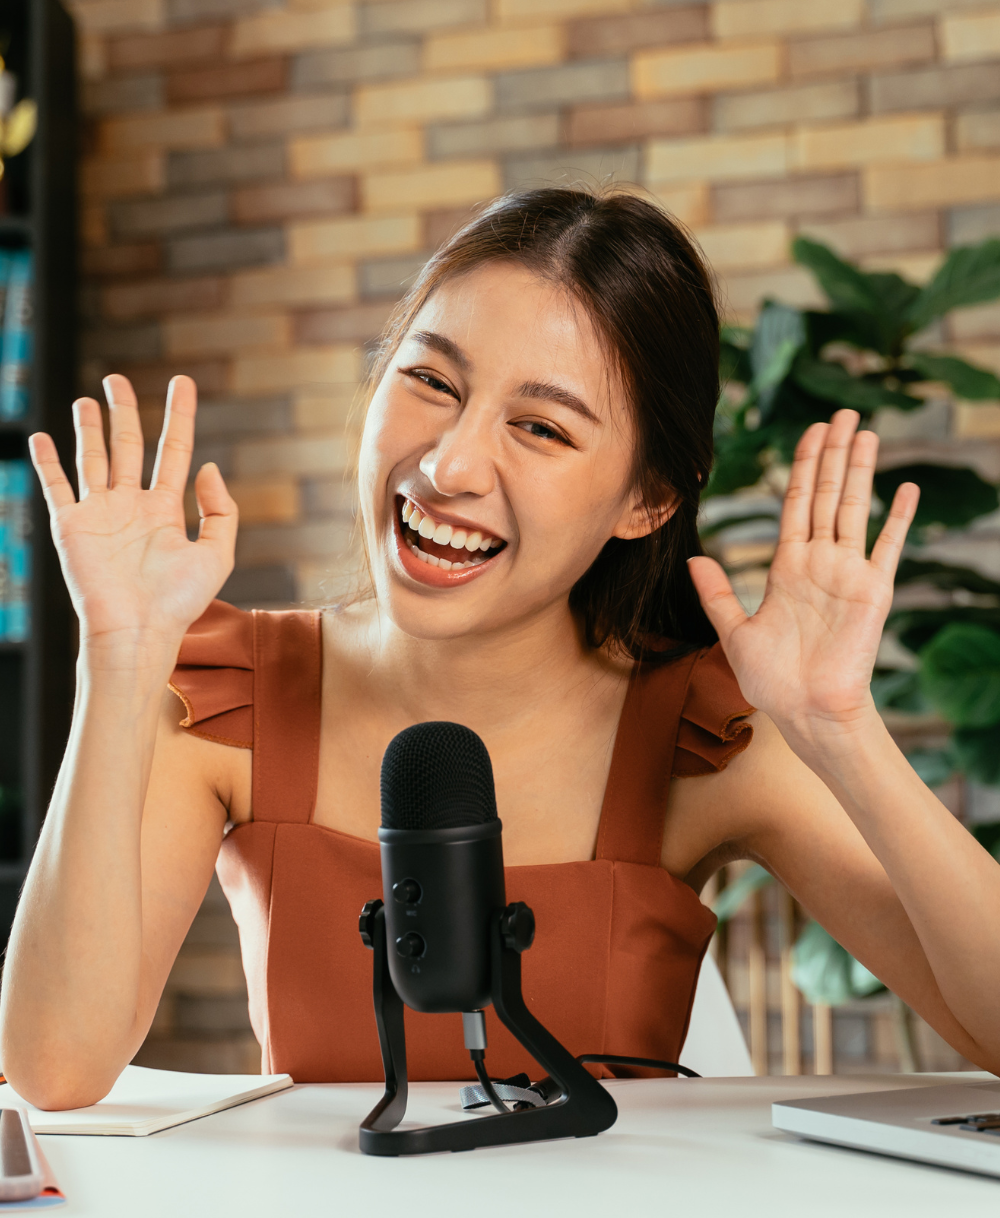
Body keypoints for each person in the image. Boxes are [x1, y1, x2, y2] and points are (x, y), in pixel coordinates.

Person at [3, 188, 1000, 1110]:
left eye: (539, 427)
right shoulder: (227, 695)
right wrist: (122, 659)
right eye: (431, 380)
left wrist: (840, 728)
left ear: (649, 500)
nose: (449, 466)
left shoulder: (703, 731)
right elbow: (54, 1067)